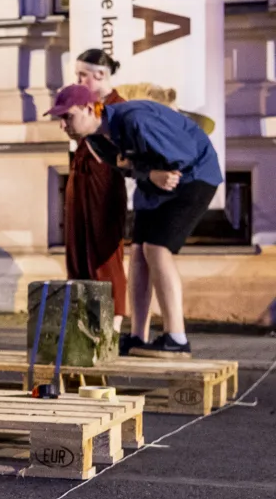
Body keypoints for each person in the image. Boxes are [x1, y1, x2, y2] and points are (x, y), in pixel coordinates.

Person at [45, 84, 224, 359]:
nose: (62, 125)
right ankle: (138, 336)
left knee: (156, 248)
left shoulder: (134, 118)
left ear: (88, 108)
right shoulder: (94, 139)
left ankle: (177, 338)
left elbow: (183, 154)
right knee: (139, 251)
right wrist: (149, 173)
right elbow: (122, 167)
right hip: (155, 183)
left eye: (66, 117)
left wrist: (151, 171)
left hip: (194, 177)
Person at [69, 49, 129, 334]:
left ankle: (114, 322)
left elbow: (116, 151)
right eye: (78, 74)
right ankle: (83, 316)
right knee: (78, 243)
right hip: (80, 176)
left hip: (104, 180)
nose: (79, 80)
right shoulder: (86, 103)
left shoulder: (118, 106)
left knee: (104, 247)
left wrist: (85, 132)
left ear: (101, 74)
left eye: (83, 75)